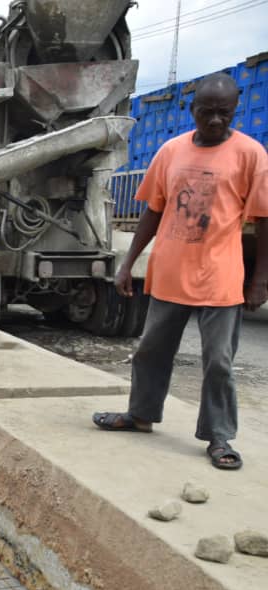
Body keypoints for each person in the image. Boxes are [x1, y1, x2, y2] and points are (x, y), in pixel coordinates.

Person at [92, 73, 268, 471]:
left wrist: (259, 280)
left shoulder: (251, 155)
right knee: (151, 350)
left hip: (221, 278)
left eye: (224, 113)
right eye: (208, 112)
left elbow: (264, 219)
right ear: (193, 111)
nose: (216, 121)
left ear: (234, 110)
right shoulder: (171, 151)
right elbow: (152, 210)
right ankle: (140, 416)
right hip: (170, 271)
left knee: (219, 361)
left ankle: (219, 436)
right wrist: (128, 262)